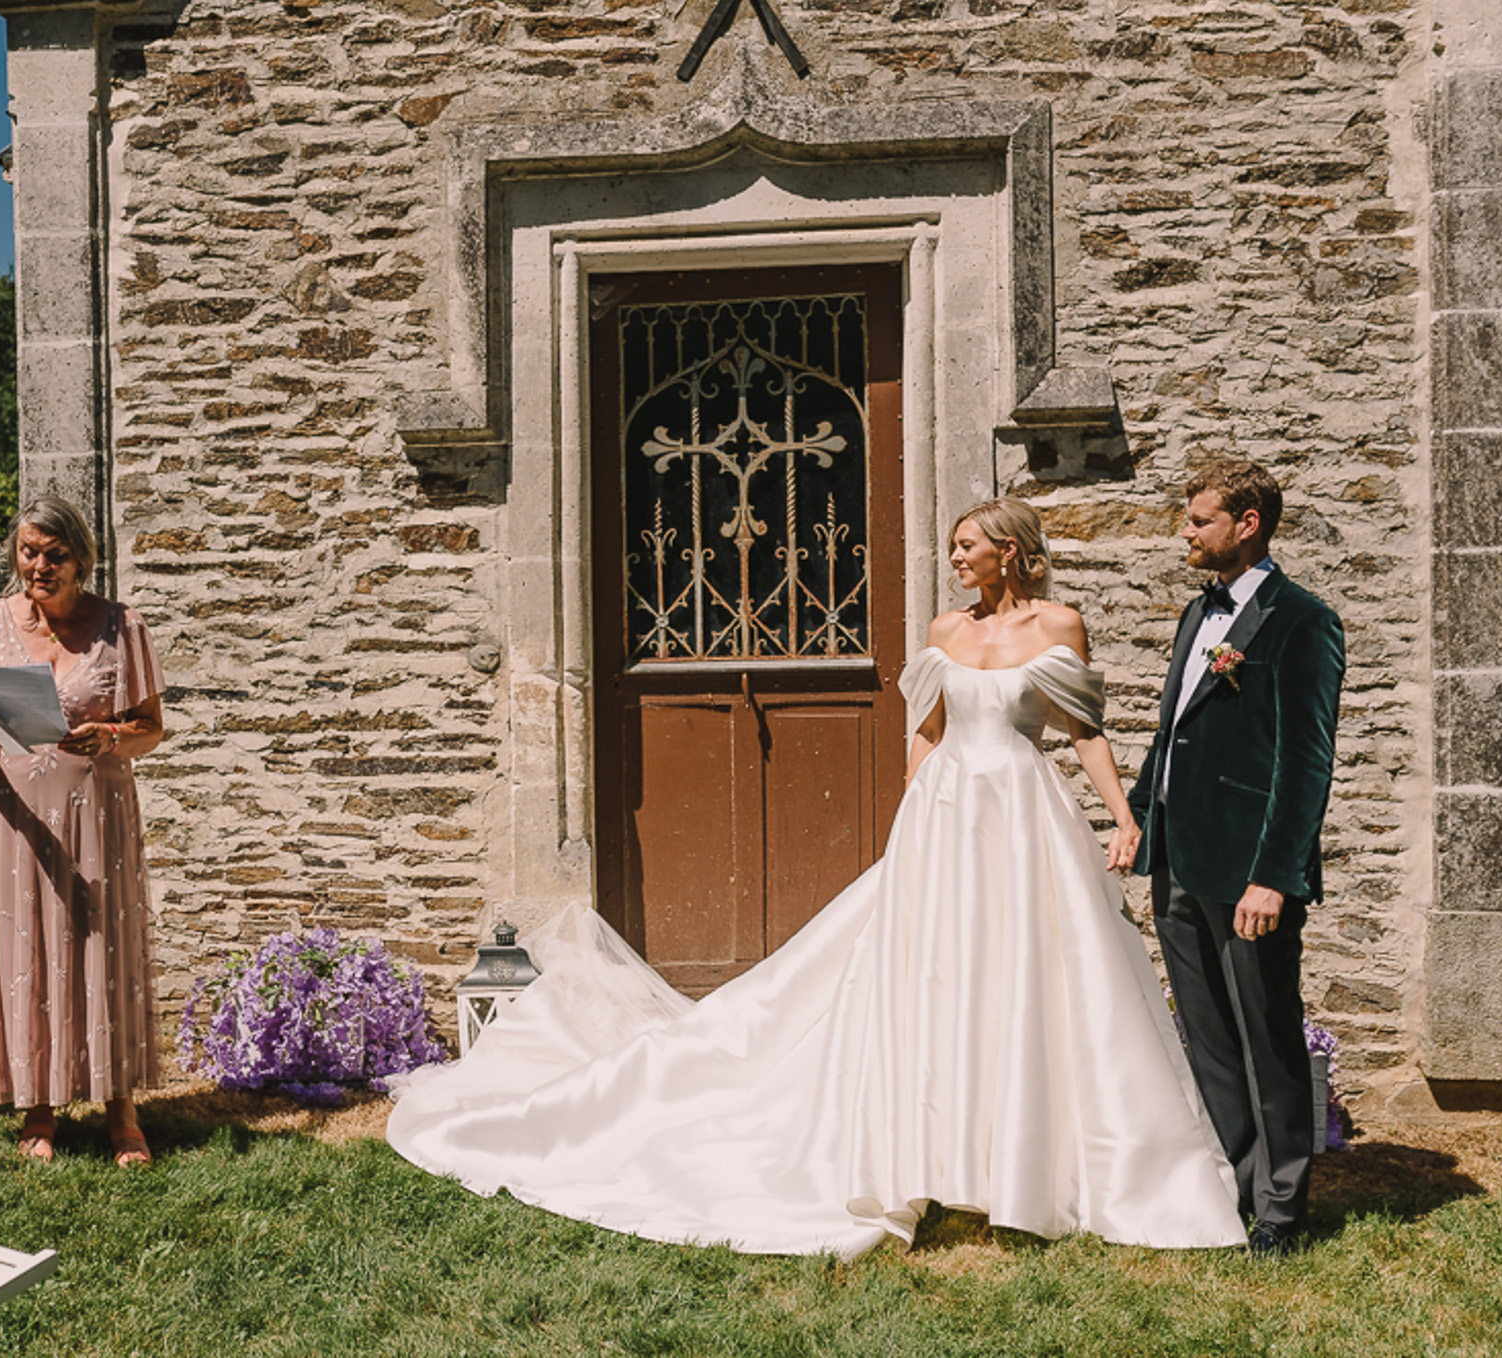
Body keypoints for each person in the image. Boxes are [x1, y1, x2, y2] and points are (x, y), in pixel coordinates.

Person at [387, 499, 1247, 1258]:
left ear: (1010, 552)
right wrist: (917, 803)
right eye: (953, 546)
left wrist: (1124, 817)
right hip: (948, 816)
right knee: (937, 979)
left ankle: (1037, 1169)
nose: (955, 559)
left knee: (1029, 978)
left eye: (967, 545)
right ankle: (932, 1159)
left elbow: (1083, 730)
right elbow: (928, 728)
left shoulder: (1059, 626)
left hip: (1023, 814)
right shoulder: (946, 634)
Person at [1128, 462, 1344, 1258]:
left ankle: (1283, 1208)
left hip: (1249, 871)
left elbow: (1305, 764)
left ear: (1246, 523)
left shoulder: (1302, 622)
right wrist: (1139, 821)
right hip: (1180, 862)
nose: (1185, 532)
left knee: (1268, 1032)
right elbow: (1173, 732)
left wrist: (1275, 877)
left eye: (1198, 519)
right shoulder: (1196, 615)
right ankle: (1236, 1185)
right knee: (1209, 1035)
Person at [0, 496, 166, 1165]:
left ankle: (121, 1107)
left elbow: (153, 729)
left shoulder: (120, 625)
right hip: (13, 822)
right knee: (26, 951)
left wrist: (113, 736)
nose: (39, 566)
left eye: (55, 555)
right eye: (28, 552)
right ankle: (38, 1107)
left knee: (105, 951)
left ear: (81, 560)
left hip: (97, 818)